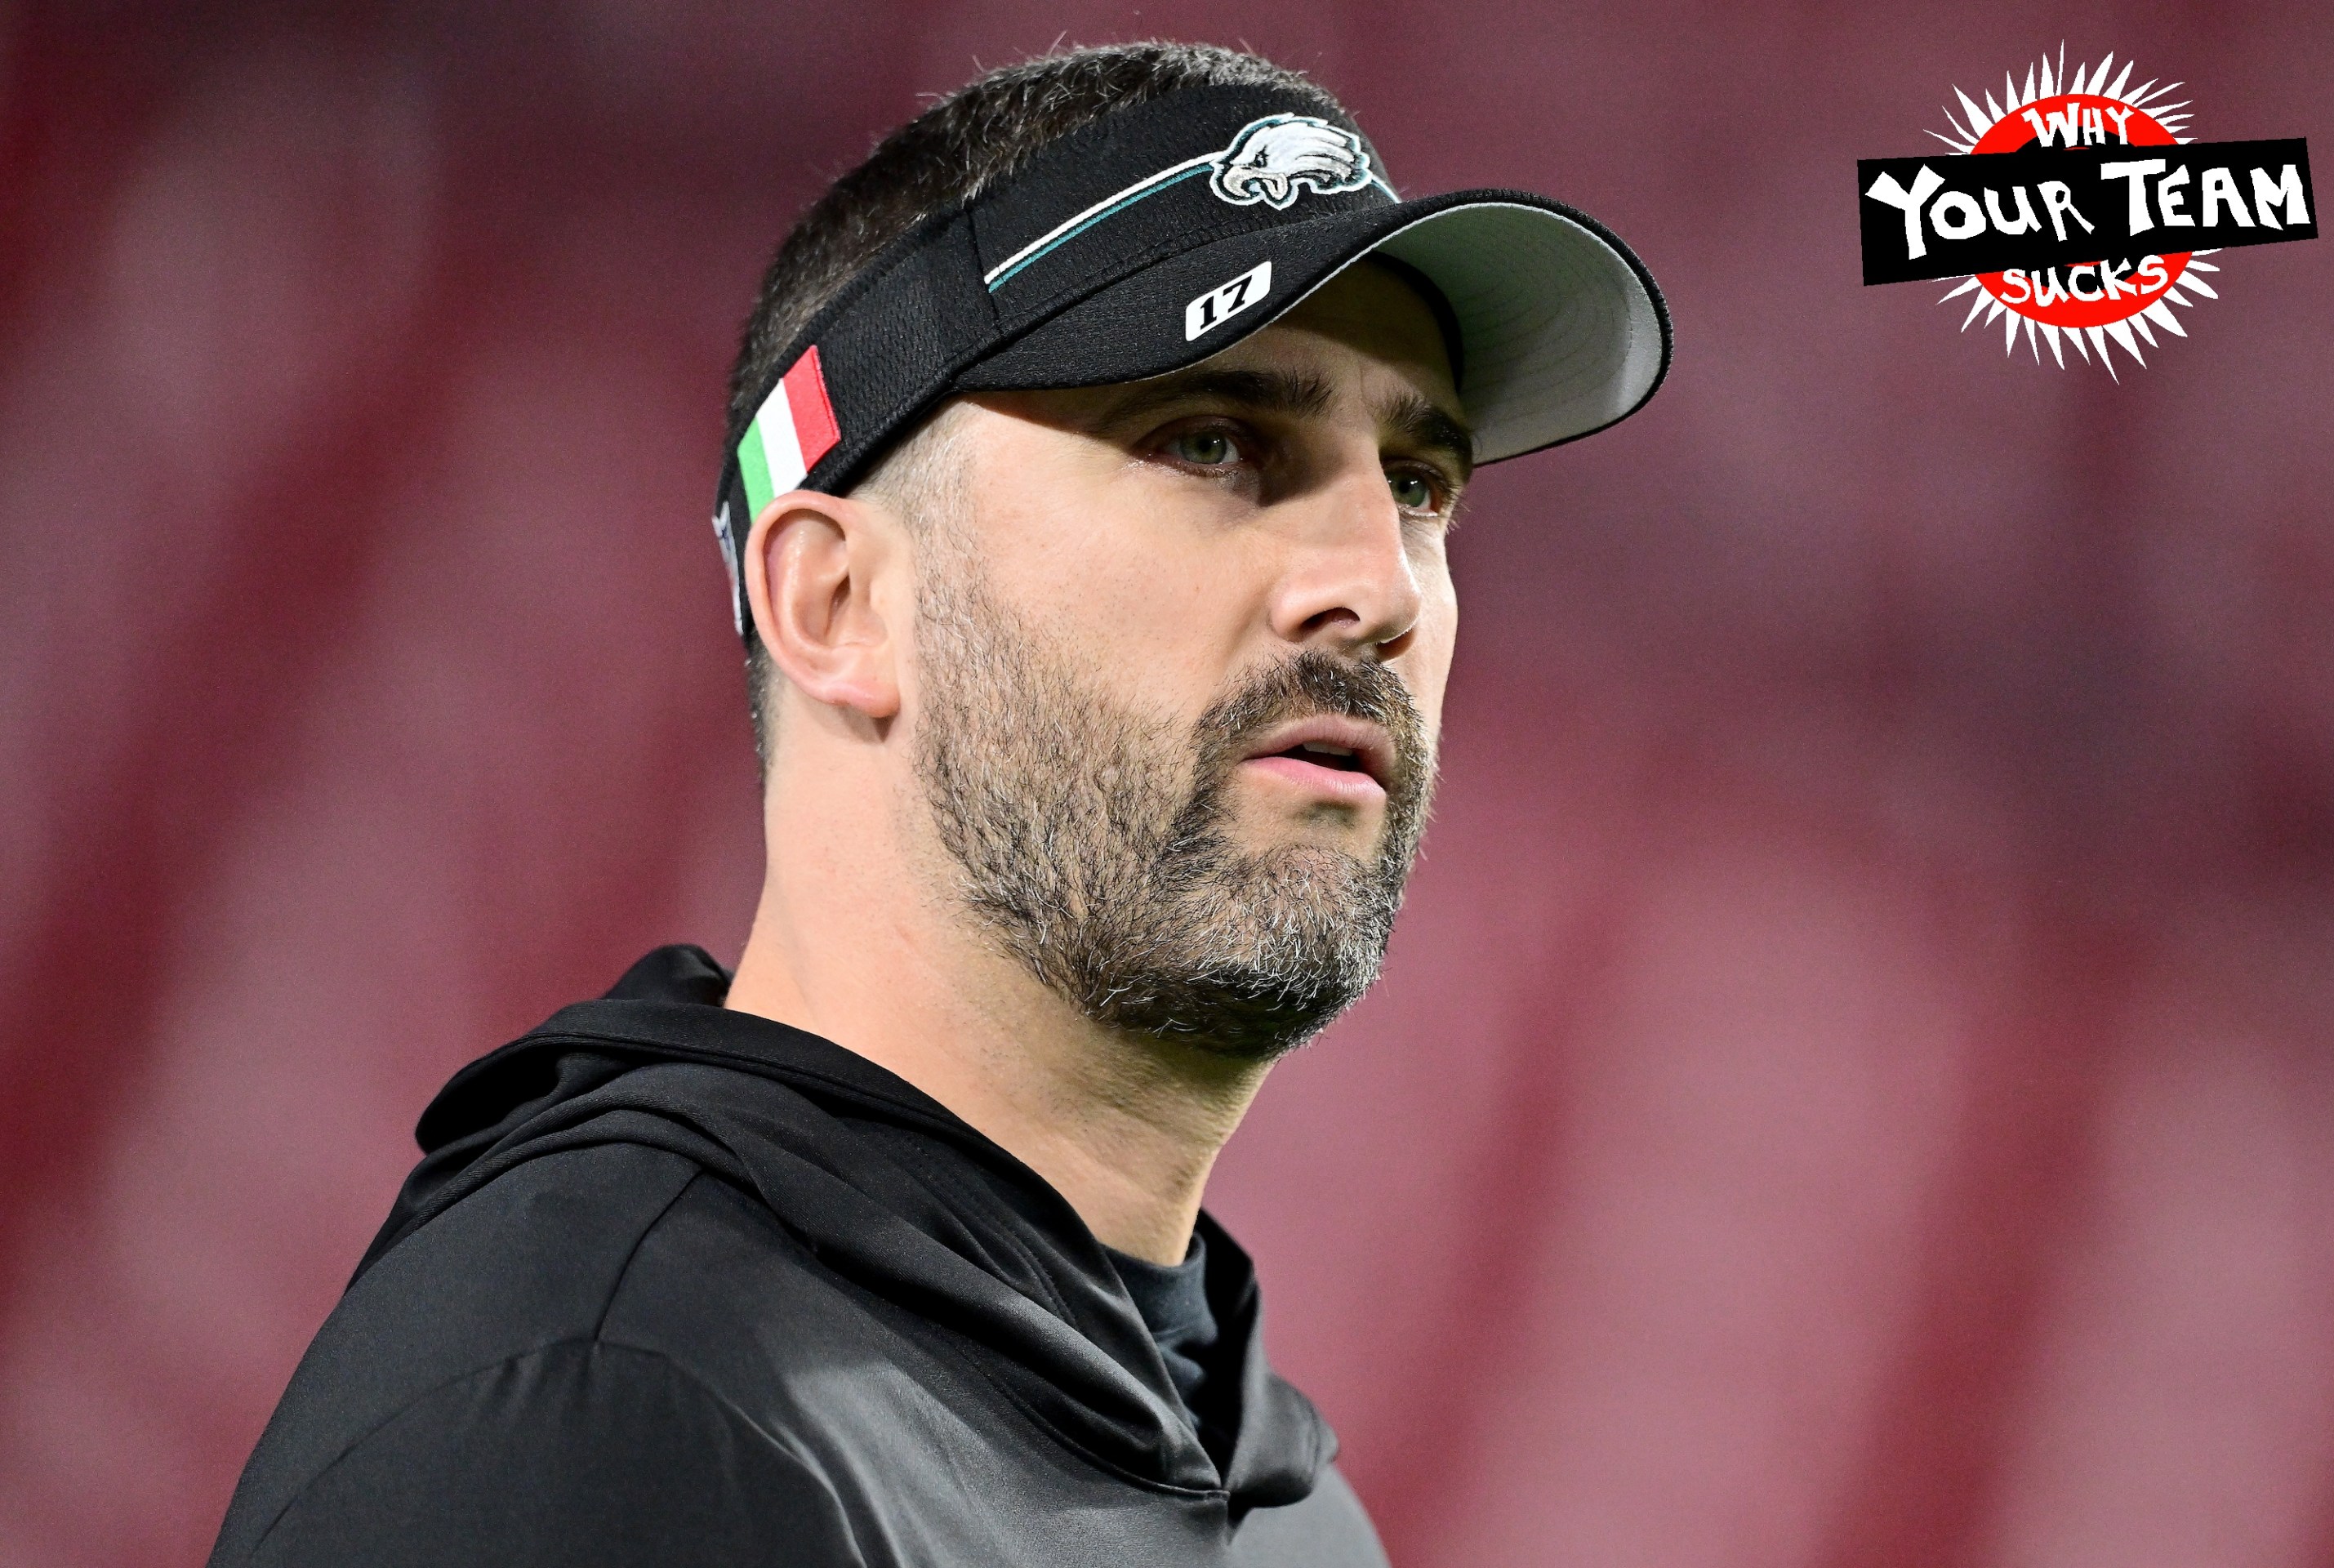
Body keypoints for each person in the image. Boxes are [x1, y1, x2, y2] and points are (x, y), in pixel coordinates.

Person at [207, 40, 1668, 1568]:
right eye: (1216, 442)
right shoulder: (599, 1421)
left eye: (1422, 483)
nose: (1380, 590)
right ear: (835, 603)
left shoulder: (1291, 1518)